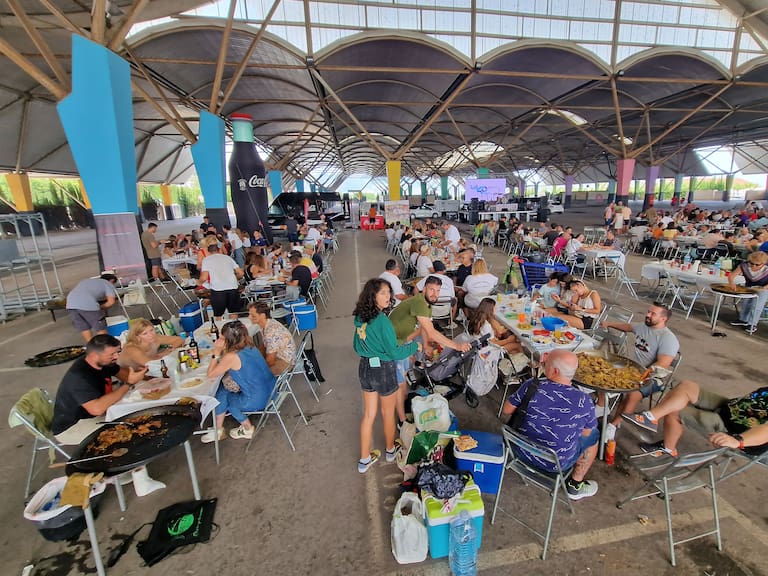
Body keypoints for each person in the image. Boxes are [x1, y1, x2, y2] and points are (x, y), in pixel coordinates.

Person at [51, 334, 164, 496]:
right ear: (94, 355)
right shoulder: (79, 377)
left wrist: (145, 376)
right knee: (124, 431)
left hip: (93, 414)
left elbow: (125, 375)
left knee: (134, 417)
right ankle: (137, 480)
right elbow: (96, 409)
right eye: (112, 354)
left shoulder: (103, 362)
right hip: (72, 426)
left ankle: (129, 467)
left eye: (117, 352)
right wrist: (129, 384)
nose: (116, 357)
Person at [502, 350, 599, 500]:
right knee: (594, 435)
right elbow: (585, 434)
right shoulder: (585, 401)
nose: (543, 365)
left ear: (555, 371)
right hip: (556, 464)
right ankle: (575, 485)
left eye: (545, 364)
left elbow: (507, 410)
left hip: (519, 451)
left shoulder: (531, 386)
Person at [353, 278, 420, 473]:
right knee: (387, 413)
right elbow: (394, 353)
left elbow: (356, 345)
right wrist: (414, 346)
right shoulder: (383, 321)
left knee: (369, 414)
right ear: (372, 295)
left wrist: (373, 350)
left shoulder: (360, 317)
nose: (388, 296)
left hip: (365, 367)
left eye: (388, 292)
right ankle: (391, 450)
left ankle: (364, 460)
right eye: (382, 292)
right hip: (383, 370)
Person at [389, 276, 471, 424]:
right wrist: (457, 346)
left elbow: (423, 328)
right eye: (432, 289)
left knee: (404, 375)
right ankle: (402, 421)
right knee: (400, 383)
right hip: (394, 343)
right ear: (424, 288)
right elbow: (432, 332)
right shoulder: (420, 303)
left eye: (438, 291)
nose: (435, 294)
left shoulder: (427, 303)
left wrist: (426, 345)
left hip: (404, 338)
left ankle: (404, 404)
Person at [622, 381, 768, 457]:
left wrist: (738, 441)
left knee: (674, 410)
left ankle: (668, 448)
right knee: (686, 386)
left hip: (733, 429)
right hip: (729, 407)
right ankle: (651, 417)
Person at [602, 302, 680, 439]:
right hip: (632, 369)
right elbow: (628, 327)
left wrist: (639, 376)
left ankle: (613, 425)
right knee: (603, 373)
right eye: (648, 311)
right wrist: (609, 324)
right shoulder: (643, 327)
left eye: (653, 313)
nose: (648, 315)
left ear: (663, 319)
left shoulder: (668, 339)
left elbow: (662, 364)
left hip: (654, 377)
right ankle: (601, 407)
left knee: (632, 394)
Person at [201, 320, 276, 442]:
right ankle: (218, 429)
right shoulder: (250, 346)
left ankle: (247, 428)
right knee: (223, 390)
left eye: (221, 337)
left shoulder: (232, 356)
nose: (218, 340)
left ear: (229, 340)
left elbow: (211, 374)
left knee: (227, 398)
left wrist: (216, 353)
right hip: (272, 392)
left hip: (257, 400)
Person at [66, 273, 118, 342]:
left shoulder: (87, 281)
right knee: (100, 327)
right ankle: (105, 345)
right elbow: (111, 302)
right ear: (112, 280)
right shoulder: (107, 283)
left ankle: (91, 345)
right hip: (87, 303)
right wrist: (100, 307)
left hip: (70, 304)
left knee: (84, 328)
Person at [248, 302, 296, 376]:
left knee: (253, 374)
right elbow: (265, 345)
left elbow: (270, 361)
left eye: (253, 315)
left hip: (285, 361)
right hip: (281, 355)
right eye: (249, 314)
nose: (249, 317)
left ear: (263, 315)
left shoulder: (271, 331)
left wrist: (256, 366)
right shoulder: (267, 324)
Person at [199, 243, 244, 321]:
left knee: (219, 314)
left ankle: (220, 327)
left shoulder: (206, 260)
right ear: (219, 250)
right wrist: (235, 278)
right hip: (232, 286)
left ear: (209, 252)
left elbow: (204, 277)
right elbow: (241, 273)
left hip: (218, 289)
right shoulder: (228, 258)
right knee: (233, 312)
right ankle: (234, 326)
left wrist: (198, 282)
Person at [119, 318, 184, 370]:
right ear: (137, 337)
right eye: (145, 334)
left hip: (147, 371)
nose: (151, 335)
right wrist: (160, 356)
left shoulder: (155, 338)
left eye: (151, 330)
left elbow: (179, 340)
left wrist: (167, 350)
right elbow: (150, 365)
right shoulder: (132, 349)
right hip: (130, 377)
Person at [728, 250, 768, 335]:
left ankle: (752, 324)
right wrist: (731, 283)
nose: (754, 266)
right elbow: (732, 275)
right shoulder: (744, 265)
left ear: (763, 263)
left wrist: (764, 287)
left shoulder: (766, 269)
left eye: (757, 264)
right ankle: (743, 319)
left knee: (757, 305)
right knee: (746, 303)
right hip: (749, 286)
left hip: (764, 288)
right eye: (752, 263)